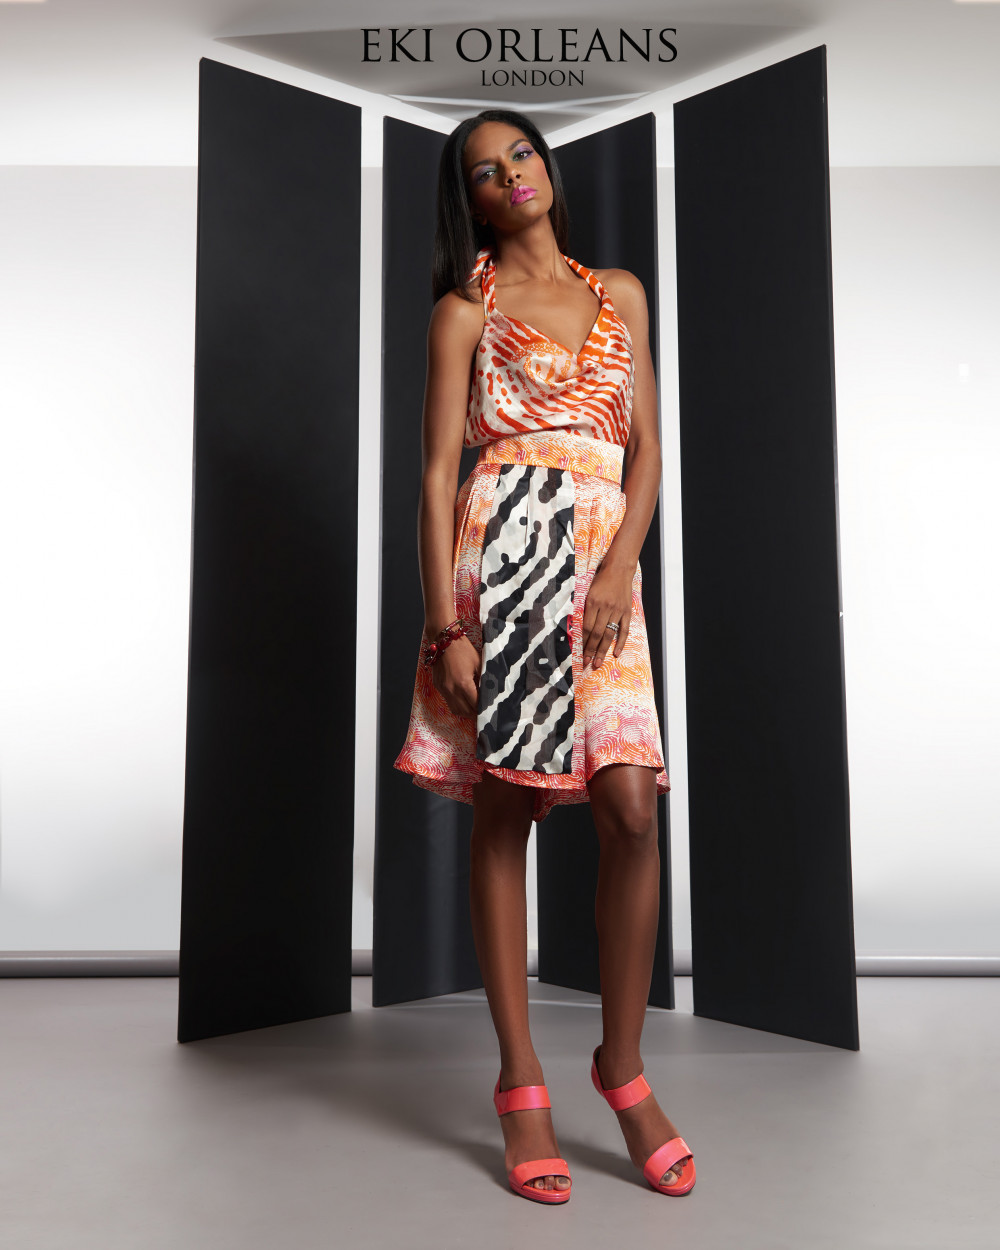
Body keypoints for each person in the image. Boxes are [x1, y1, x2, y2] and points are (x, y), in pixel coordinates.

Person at [394, 108, 695, 1205]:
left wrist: (619, 570)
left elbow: (647, 449)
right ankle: (520, 1079)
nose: (510, 175)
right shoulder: (463, 312)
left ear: (547, 167)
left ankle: (622, 1065)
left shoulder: (621, 293)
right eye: (484, 171)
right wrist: (446, 625)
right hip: (505, 559)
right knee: (508, 808)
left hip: (601, 564)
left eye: (520, 154)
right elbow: (436, 473)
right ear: (469, 201)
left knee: (631, 808)